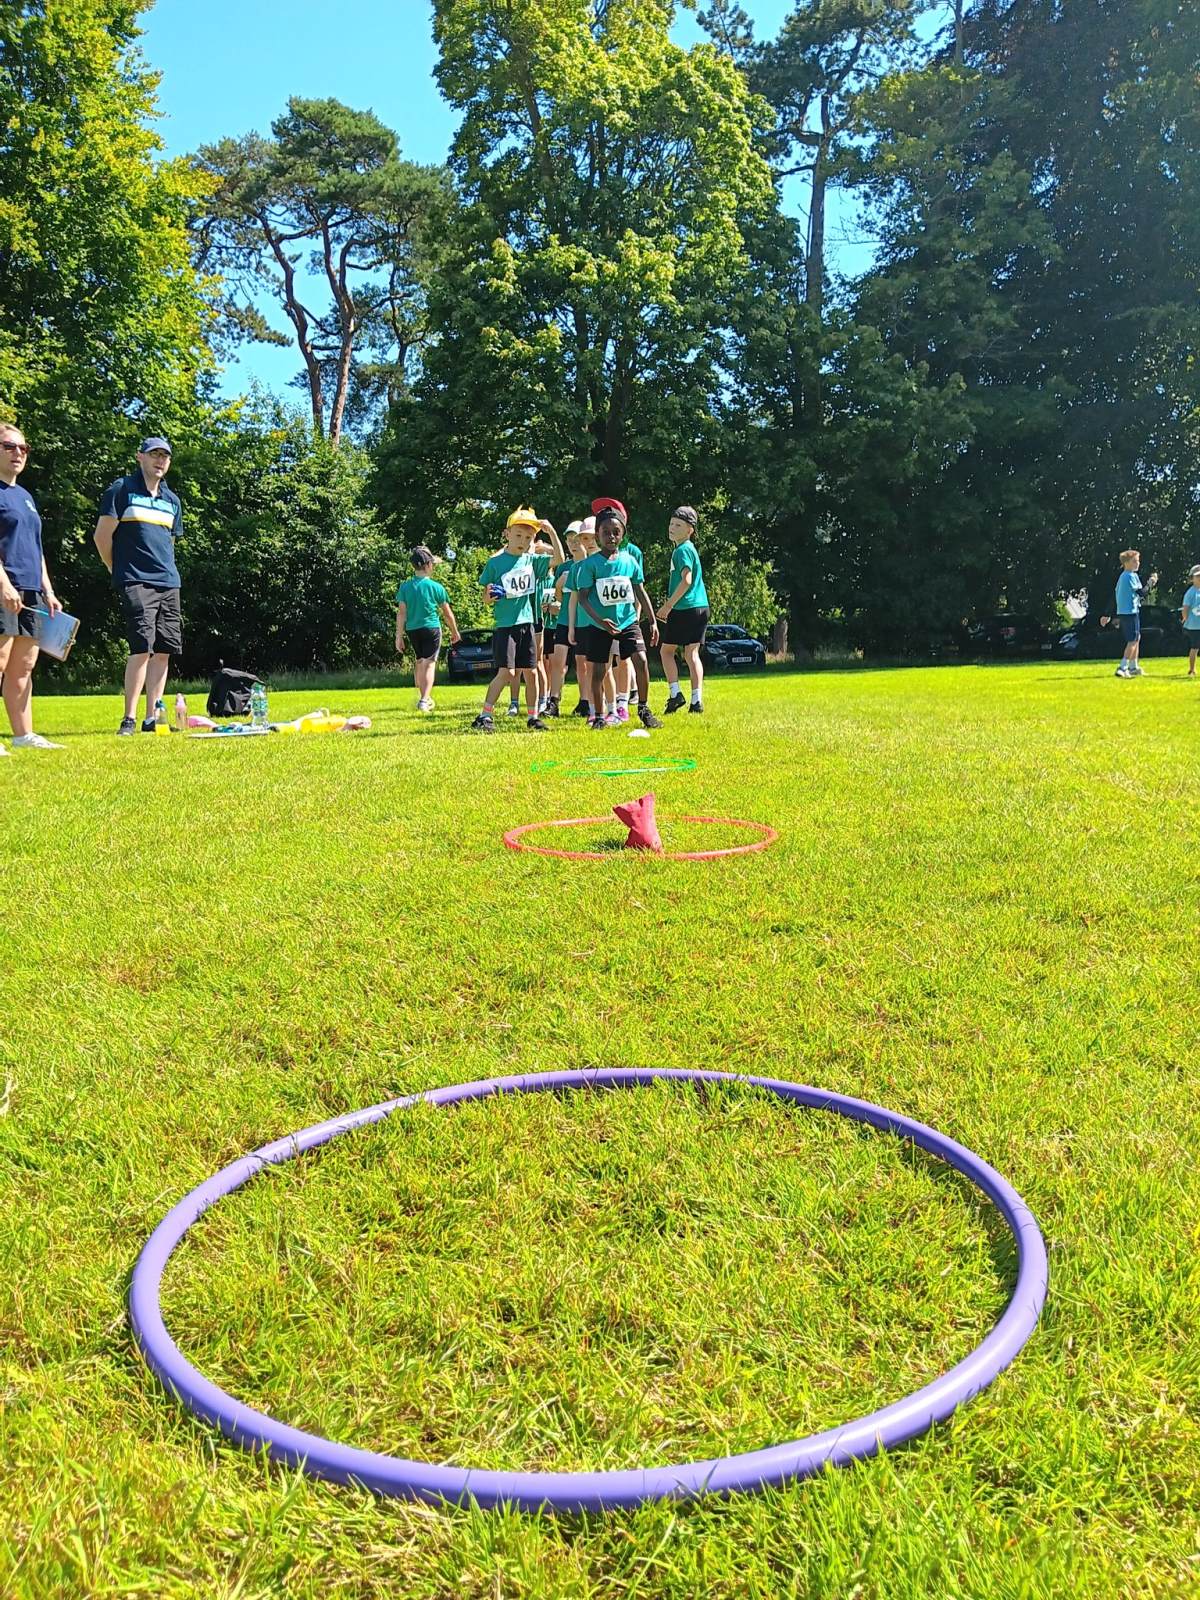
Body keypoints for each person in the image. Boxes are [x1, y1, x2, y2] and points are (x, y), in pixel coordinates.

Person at [93, 436, 184, 734]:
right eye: (154, 454)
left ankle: (151, 719)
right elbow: (102, 537)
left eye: (164, 456)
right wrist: (116, 569)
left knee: (164, 649)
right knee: (141, 647)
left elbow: (169, 544)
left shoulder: (172, 501)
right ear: (140, 457)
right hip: (135, 580)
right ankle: (129, 718)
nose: (160, 460)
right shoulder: (122, 490)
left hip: (168, 582)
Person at [570, 503, 662, 729]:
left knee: (641, 660)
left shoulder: (629, 561)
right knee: (599, 670)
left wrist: (652, 621)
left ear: (622, 534)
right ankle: (599, 716)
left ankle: (643, 708)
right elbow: (582, 598)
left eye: (616, 532)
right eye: (605, 532)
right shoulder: (589, 565)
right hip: (600, 625)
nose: (611, 537)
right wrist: (600, 621)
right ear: (597, 535)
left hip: (628, 620)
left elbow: (640, 591)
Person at [0, 422, 63, 752]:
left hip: (30, 591)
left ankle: (23, 735)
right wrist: (3, 585)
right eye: (9, 446)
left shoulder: (25, 497)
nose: (18, 453)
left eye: (23, 448)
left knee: (24, 666)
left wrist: (47, 591)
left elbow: (36, 549)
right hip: (4, 587)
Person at [471, 508, 562, 733]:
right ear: (507, 534)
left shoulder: (531, 561)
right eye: (518, 535)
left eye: (528, 537)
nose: (523, 541)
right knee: (507, 673)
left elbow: (559, 559)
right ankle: (484, 715)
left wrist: (551, 532)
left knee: (531, 672)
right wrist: (490, 596)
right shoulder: (495, 563)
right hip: (505, 626)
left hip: (527, 623)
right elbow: (485, 598)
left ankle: (533, 717)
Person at [656, 505, 709, 714]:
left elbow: (686, 580)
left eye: (678, 525)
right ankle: (697, 701)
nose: (672, 528)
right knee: (691, 653)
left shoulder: (682, 550)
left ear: (690, 530)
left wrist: (668, 605)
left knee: (666, 651)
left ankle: (675, 694)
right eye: (671, 523)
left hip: (684, 607)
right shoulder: (689, 548)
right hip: (701, 607)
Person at [395, 546, 460, 711]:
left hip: (412, 629)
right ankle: (424, 701)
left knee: (420, 661)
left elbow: (401, 613)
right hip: (431, 628)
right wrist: (455, 631)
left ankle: (423, 696)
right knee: (429, 664)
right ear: (429, 565)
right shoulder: (436, 587)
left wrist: (399, 636)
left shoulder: (405, 587)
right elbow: (447, 613)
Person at [548, 519, 595, 718]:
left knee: (582, 662)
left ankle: (585, 701)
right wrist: (559, 586)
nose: (573, 544)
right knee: (557, 662)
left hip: (584, 621)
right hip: (564, 620)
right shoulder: (563, 567)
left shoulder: (591, 565)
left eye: (577, 539)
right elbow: (560, 598)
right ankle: (553, 701)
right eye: (569, 540)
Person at [1105, 549, 1157, 679]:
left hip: (1129, 611)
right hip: (1130, 612)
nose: (1137, 563)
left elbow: (1115, 596)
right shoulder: (1129, 576)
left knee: (1137, 637)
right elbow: (1142, 593)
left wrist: (1108, 614)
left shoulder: (1125, 576)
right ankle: (1123, 667)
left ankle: (1134, 667)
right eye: (1134, 561)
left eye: (1138, 561)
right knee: (1132, 640)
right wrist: (1151, 582)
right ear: (1126, 563)